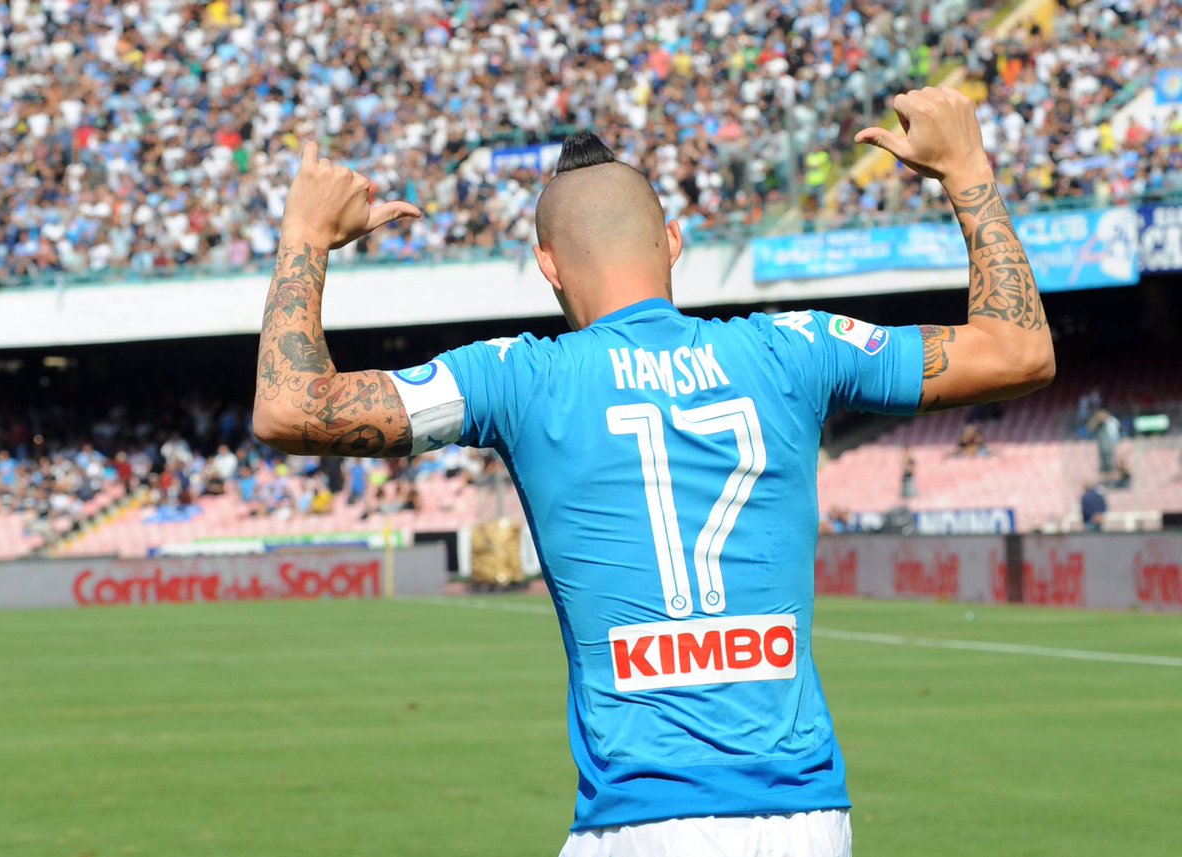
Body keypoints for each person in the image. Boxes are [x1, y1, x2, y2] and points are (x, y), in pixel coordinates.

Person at [251, 87, 1055, 856]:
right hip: (806, 816)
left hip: (645, 818)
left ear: (547, 266)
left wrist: (306, 236)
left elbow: (290, 409)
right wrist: (967, 169)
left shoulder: (517, 377)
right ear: (673, 242)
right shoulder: (796, 347)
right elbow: (1019, 352)